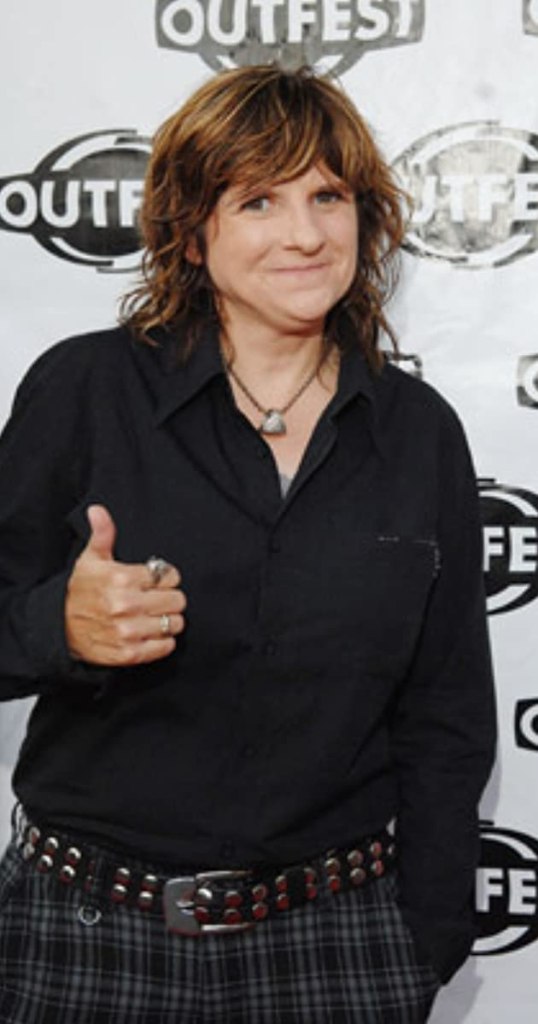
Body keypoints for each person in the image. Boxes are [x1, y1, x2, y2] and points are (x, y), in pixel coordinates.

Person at [0, 64, 495, 1023]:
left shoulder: (419, 432)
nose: (305, 234)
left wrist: (426, 935)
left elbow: (448, 706)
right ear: (193, 231)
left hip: (338, 945)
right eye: (259, 200)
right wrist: (55, 626)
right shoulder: (82, 392)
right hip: (87, 937)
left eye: (328, 196)